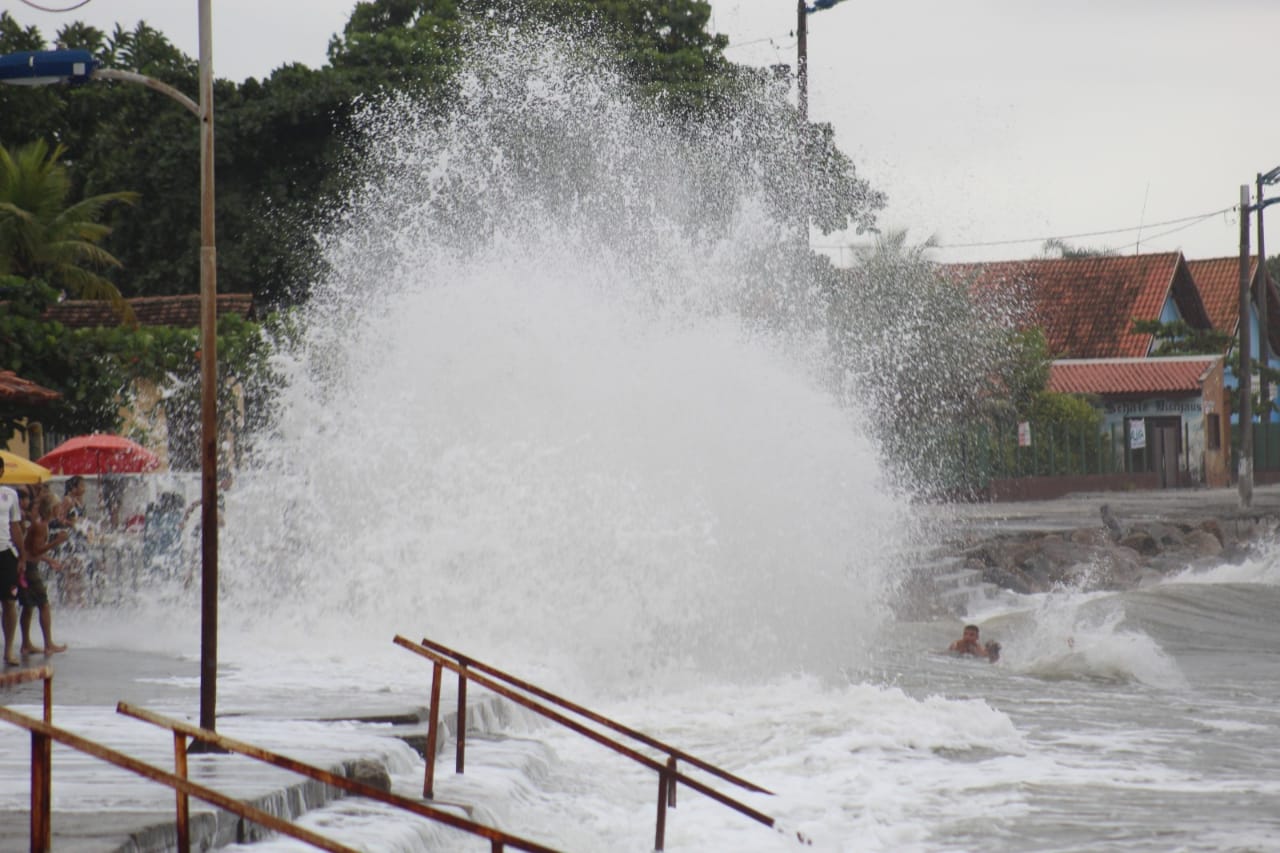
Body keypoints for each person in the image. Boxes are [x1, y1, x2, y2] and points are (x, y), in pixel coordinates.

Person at [20, 490, 68, 655]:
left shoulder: (41, 523)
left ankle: (26, 644)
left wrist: (49, 560)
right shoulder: (41, 525)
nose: (60, 510)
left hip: (26, 566)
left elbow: (32, 550)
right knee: (44, 604)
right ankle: (48, 644)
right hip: (29, 569)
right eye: (58, 507)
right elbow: (35, 549)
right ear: (51, 508)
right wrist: (56, 542)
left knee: (28, 606)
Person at [0, 458, 27, 666]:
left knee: (9, 601)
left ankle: (8, 649)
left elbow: (15, 526)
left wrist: (22, 555)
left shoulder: (10, 495)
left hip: (6, 552)